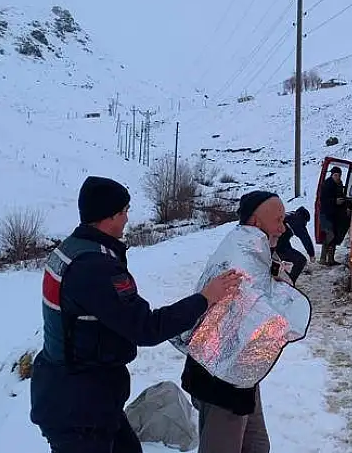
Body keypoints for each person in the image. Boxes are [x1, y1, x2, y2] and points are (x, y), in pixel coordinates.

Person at [30, 175, 242, 453]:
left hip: (80, 393)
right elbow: (146, 328)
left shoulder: (72, 248)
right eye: (124, 212)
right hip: (79, 408)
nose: (127, 219)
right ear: (107, 217)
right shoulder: (95, 267)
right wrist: (205, 299)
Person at [181, 190, 308, 453]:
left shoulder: (253, 250)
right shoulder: (242, 255)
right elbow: (264, 310)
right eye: (278, 220)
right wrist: (282, 287)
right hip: (220, 378)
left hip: (239, 371)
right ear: (255, 221)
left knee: (257, 445)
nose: (283, 228)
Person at [318, 167, 350, 266]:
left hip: (335, 215)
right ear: (332, 175)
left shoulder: (339, 185)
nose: (337, 177)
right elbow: (323, 200)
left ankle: (331, 259)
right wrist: (335, 201)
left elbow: (343, 197)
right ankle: (323, 258)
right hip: (326, 214)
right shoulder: (327, 185)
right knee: (330, 234)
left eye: (339, 175)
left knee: (334, 236)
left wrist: (346, 207)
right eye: (335, 175)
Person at [274, 206, 314, 283]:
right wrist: (311, 254)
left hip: (272, 243)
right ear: (303, 219)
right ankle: (290, 282)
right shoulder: (297, 221)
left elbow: (284, 238)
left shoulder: (291, 215)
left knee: (279, 260)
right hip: (277, 246)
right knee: (301, 260)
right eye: (305, 222)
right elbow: (305, 238)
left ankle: (279, 278)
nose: (305, 225)